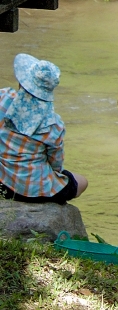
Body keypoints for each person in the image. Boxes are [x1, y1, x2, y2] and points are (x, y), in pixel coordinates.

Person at [0, 53, 88, 204]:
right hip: (37, 190)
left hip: (3, 181)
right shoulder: (53, 123)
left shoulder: (3, 97)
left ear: (22, 81)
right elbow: (56, 163)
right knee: (82, 181)